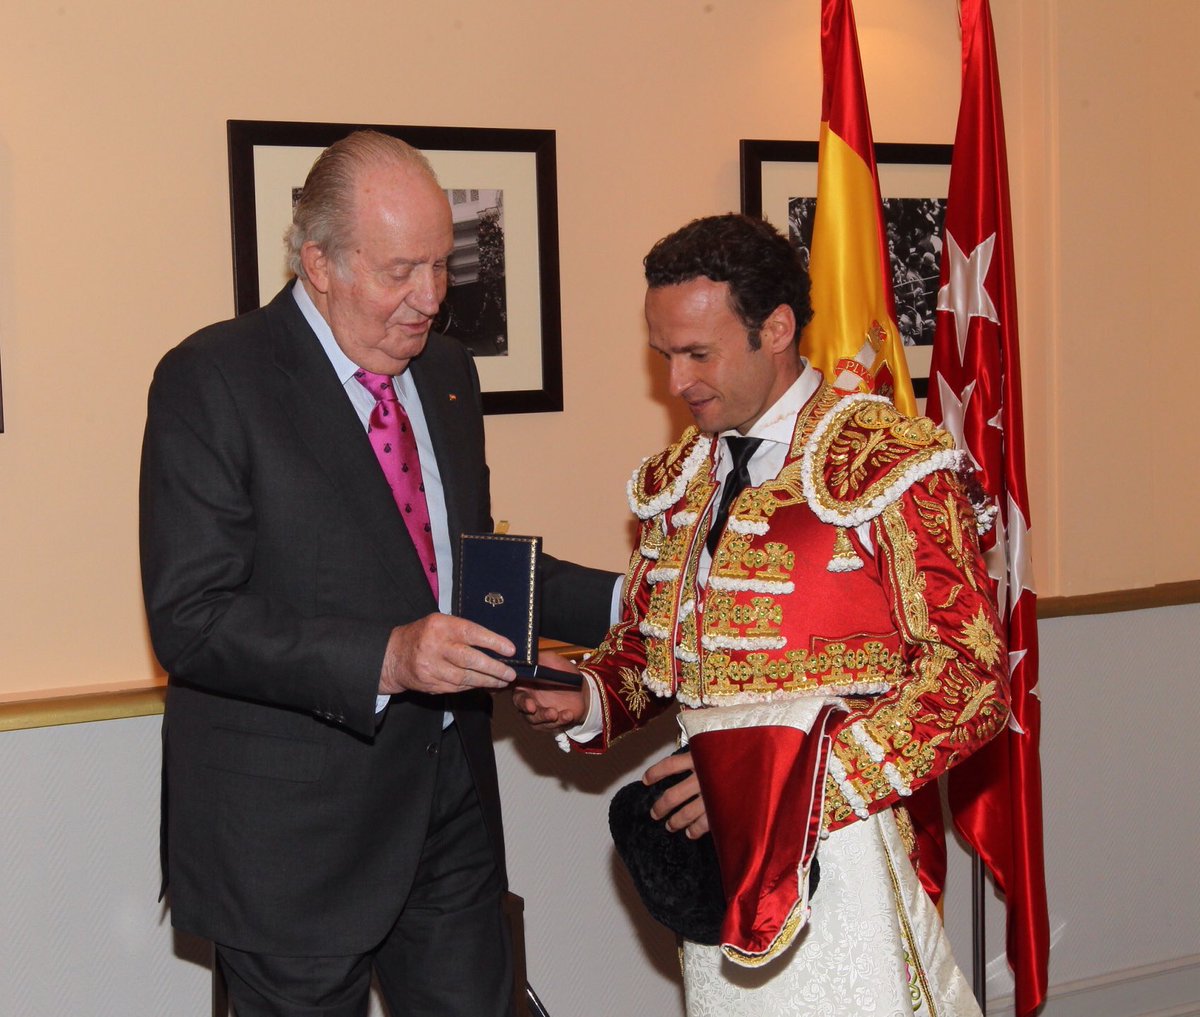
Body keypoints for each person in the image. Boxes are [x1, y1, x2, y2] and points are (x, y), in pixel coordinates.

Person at [139, 130, 616, 1017]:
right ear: (318, 262)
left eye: (442, 265)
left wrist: (637, 600)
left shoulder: (444, 374)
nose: (429, 298)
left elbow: (464, 565)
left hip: (450, 806)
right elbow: (192, 618)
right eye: (400, 270)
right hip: (291, 841)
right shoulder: (214, 379)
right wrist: (388, 657)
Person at [515, 214, 1009, 1016]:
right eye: (664, 354)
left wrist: (776, 794)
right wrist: (593, 693)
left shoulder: (890, 462)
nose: (676, 381)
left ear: (776, 328)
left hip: (847, 852)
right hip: (719, 853)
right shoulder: (678, 479)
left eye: (698, 354)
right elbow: (652, 651)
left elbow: (972, 681)